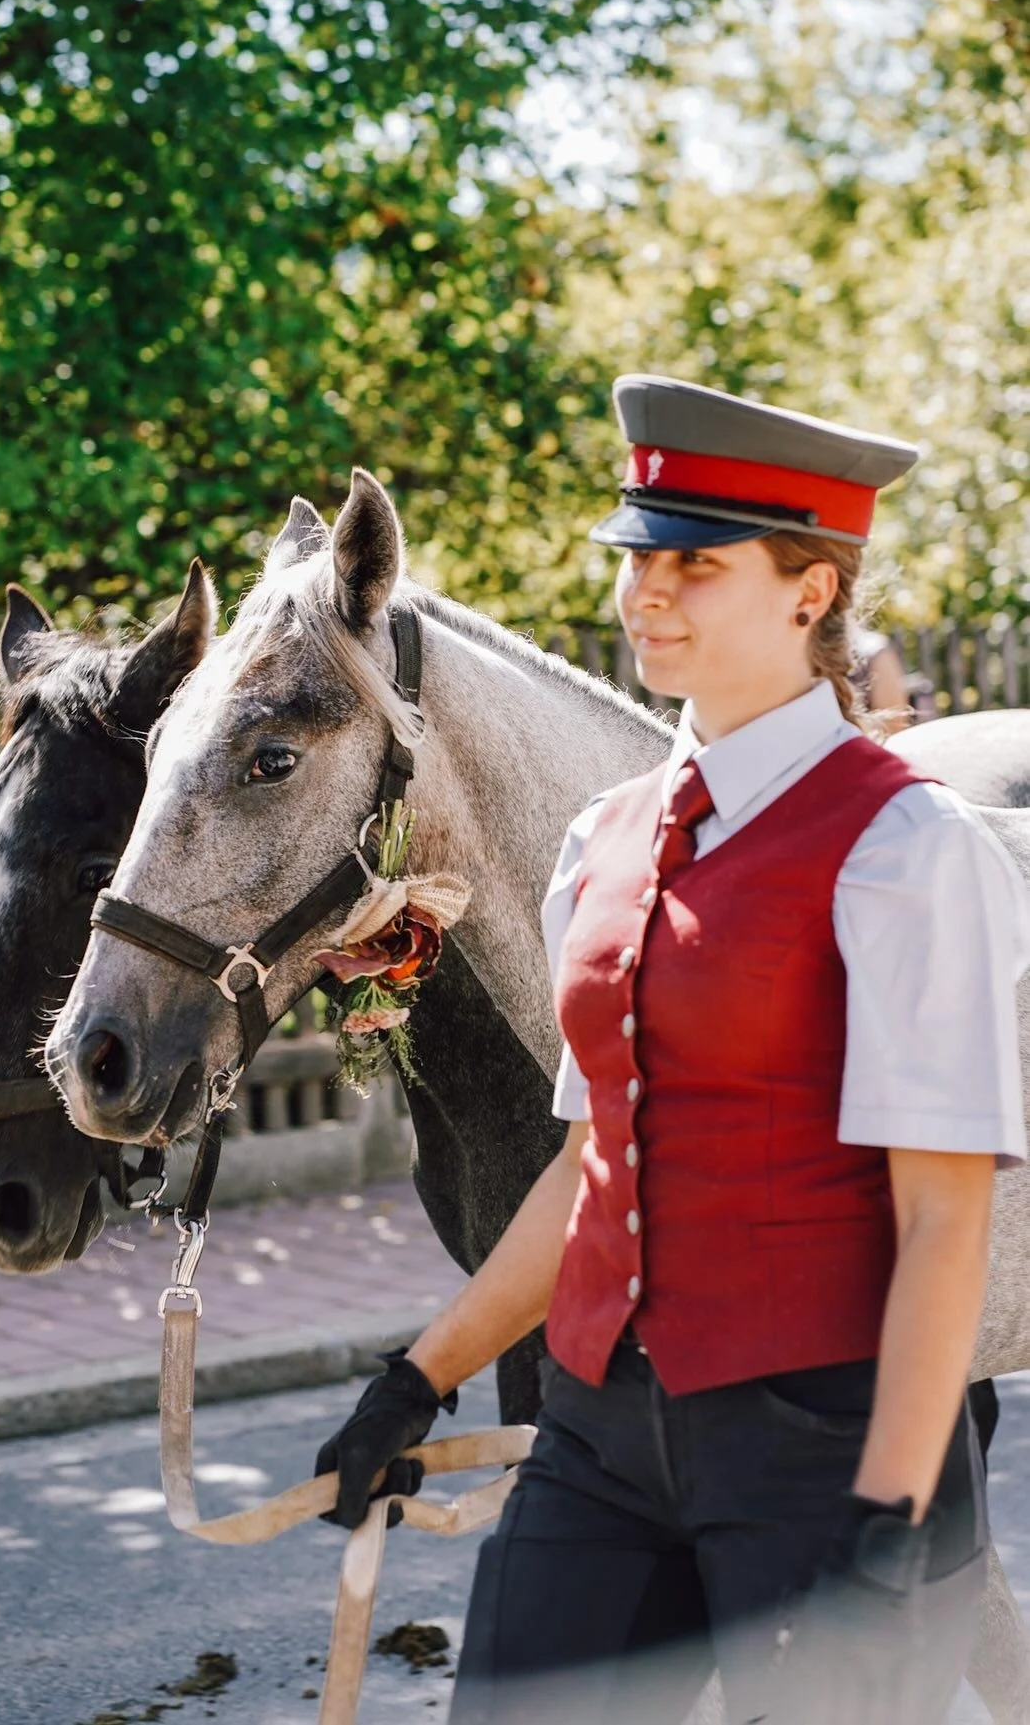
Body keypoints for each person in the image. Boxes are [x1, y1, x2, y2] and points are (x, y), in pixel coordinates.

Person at [314, 376, 1029, 1724]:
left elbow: (943, 1221)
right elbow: (592, 1168)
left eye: (695, 564)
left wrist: (891, 1497)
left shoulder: (905, 852)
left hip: (821, 1446)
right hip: (596, 1436)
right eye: (641, 557)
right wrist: (418, 1375)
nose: (647, 592)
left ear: (809, 590)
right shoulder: (603, 838)